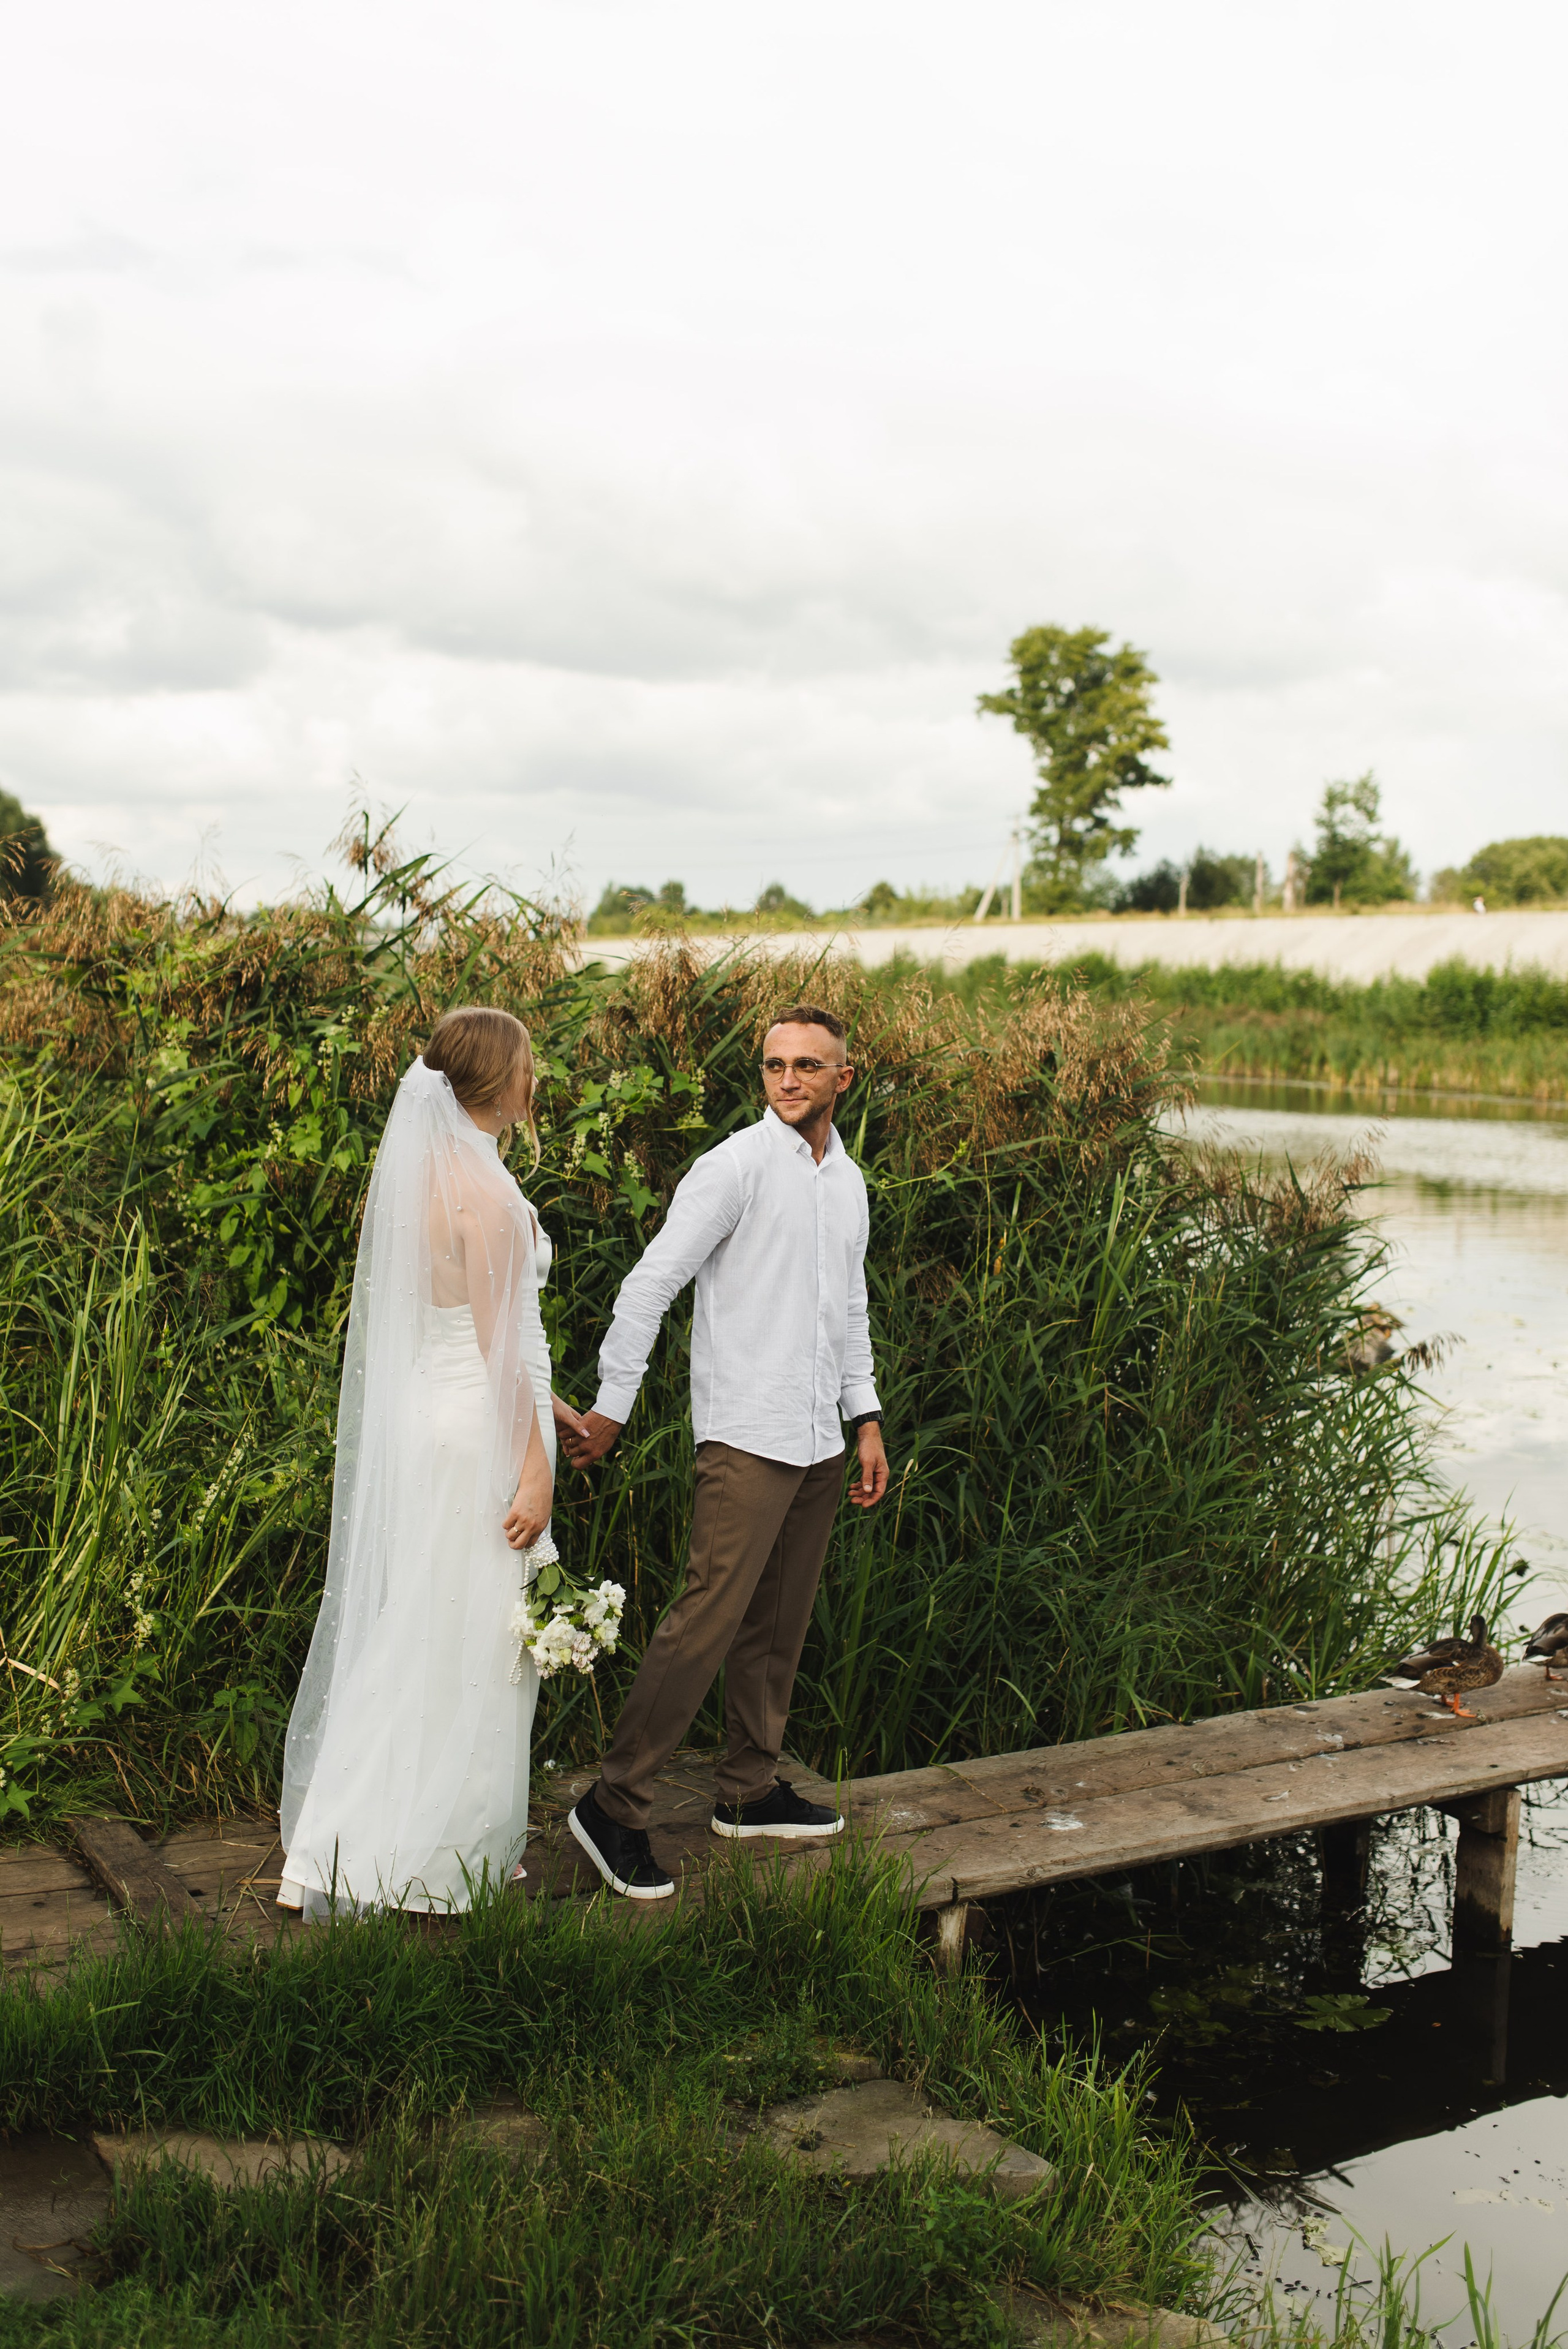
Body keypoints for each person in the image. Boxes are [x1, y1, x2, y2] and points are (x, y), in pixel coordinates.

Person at [562, 1003, 889, 1899]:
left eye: (807, 1067)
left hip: (820, 1435)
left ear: (842, 1080)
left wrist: (865, 1419)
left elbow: (849, 1310)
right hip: (745, 1434)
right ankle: (613, 1805)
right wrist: (612, 1410)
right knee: (704, 1623)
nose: (788, 1079)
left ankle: (747, 1790)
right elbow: (648, 1286)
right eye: (774, 1065)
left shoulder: (846, 1181)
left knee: (778, 1625)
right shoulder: (734, 1168)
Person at [277, 1007, 586, 1917]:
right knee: (475, 1637)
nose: (538, 1078)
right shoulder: (486, 1198)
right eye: (529, 1063)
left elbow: (467, 1325)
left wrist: (549, 1399)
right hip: (479, 1431)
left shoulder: (428, 1179)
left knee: (424, 1618)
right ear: (499, 1081)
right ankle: (430, 1852)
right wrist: (534, 1465)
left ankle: (379, 1832)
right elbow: (495, 1348)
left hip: (438, 1412)